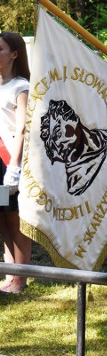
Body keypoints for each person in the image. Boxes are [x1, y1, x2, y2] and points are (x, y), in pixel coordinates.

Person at [0, 32, 31, 294]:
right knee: (2, 219)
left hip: (12, 162)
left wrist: (16, 167)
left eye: (0, 49)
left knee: (16, 220)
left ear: (14, 54)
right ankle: (10, 275)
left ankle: (21, 279)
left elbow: (22, 128)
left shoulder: (21, 86)